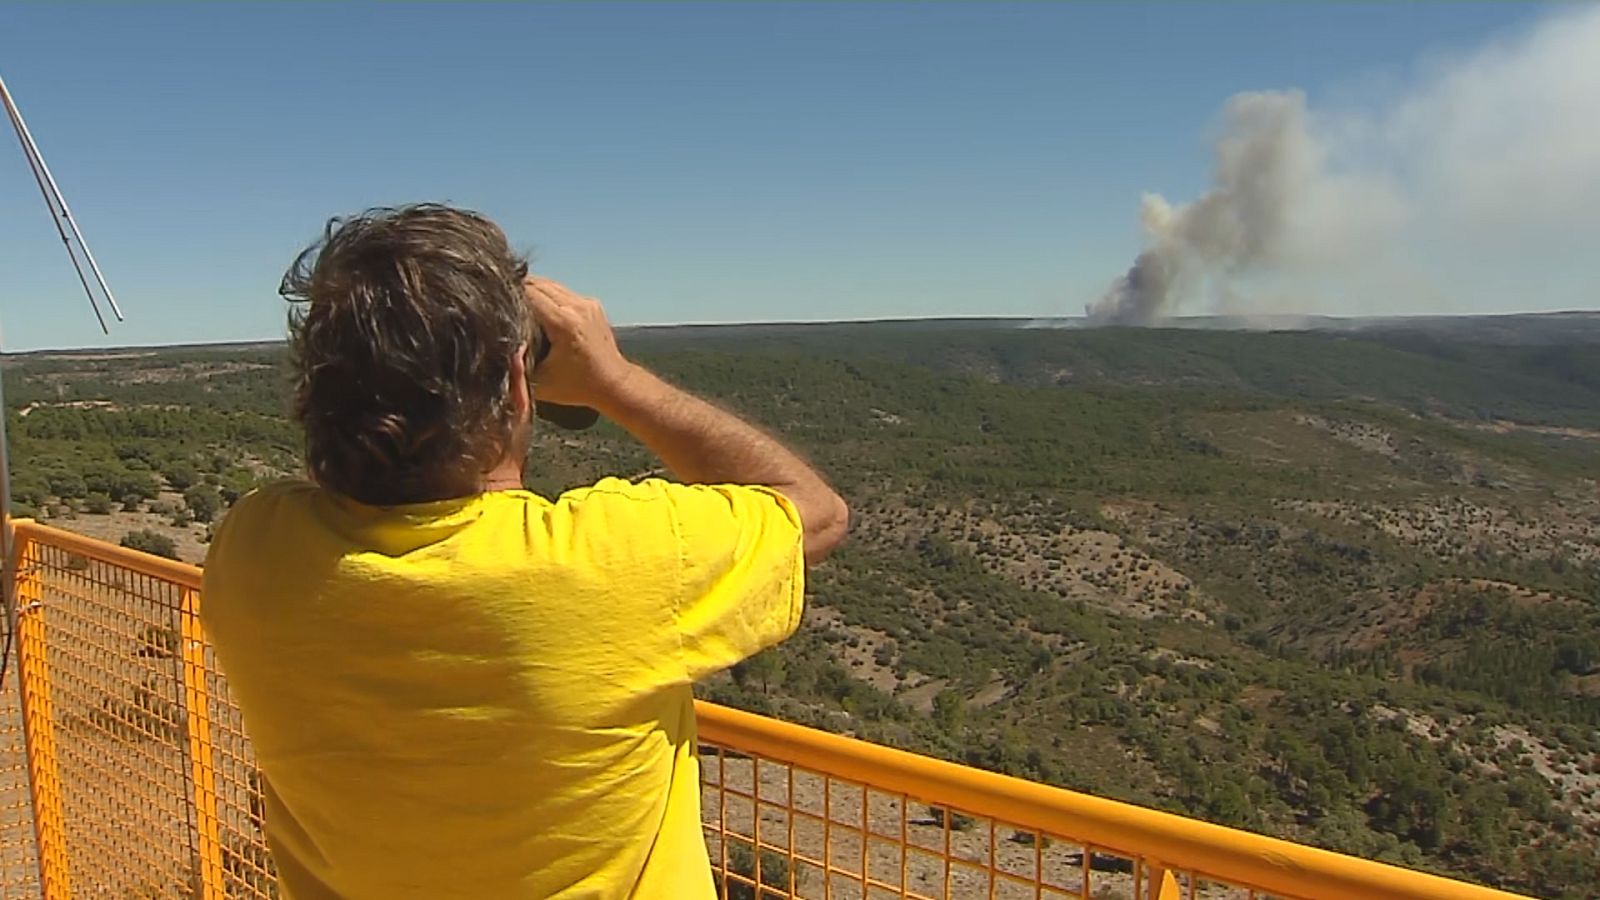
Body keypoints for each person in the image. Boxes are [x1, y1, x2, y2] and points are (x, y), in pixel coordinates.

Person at [201, 204, 849, 899]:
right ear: (516, 383)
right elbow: (817, 512)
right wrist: (613, 379)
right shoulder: (617, 561)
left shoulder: (252, 548)